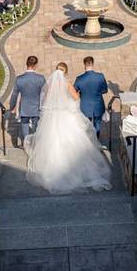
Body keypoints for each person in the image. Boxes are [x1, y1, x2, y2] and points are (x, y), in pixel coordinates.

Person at [24, 62, 112, 194]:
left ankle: (51, 167)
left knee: (53, 139)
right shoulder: (67, 84)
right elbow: (76, 97)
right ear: (65, 72)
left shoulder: (50, 85)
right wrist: (74, 95)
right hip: (65, 115)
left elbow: (46, 100)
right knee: (72, 139)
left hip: (53, 116)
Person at [10, 56, 47, 144]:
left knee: (24, 126)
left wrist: (12, 106)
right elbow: (45, 92)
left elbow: (14, 94)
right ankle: (34, 143)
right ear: (35, 65)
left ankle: (26, 143)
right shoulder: (41, 78)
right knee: (35, 127)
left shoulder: (19, 79)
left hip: (24, 108)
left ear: (27, 64)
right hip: (36, 107)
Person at [73, 56, 108, 139]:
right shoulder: (100, 76)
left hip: (85, 106)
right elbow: (105, 90)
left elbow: (74, 91)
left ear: (84, 65)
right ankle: (97, 140)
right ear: (92, 64)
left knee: (87, 126)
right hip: (98, 105)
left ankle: (89, 141)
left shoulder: (79, 79)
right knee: (98, 124)